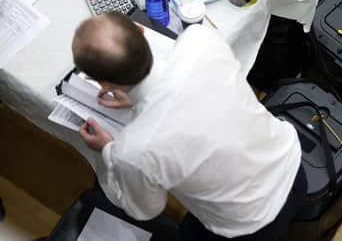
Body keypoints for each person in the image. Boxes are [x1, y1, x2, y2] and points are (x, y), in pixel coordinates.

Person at [72, 12, 306, 240]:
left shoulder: (133, 151)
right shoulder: (200, 41)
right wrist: (135, 97)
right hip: (292, 168)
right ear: (141, 31)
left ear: (100, 82)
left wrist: (106, 149)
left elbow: (145, 210)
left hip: (245, 225)